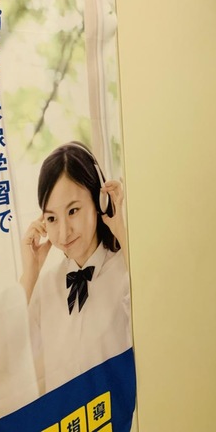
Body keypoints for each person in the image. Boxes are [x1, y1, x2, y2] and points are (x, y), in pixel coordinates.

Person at [19, 141, 132, 394]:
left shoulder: (126, 272)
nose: (63, 232)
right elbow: (7, 361)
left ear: (99, 201)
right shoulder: (45, 286)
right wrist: (30, 275)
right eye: (51, 218)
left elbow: (157, 331)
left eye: (73, 211)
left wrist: (121, 230)